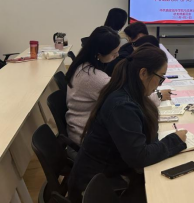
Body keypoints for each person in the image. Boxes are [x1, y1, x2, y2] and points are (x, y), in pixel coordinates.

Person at [68, 44, 187, 203]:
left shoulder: (131, 94)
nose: (160, 84)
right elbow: (139, 158)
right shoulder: (122, 105)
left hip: (111, 174)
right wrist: (175, 140)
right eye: (160, 78)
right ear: (143, 73)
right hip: (100, 188)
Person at [66, 27, 170, 144]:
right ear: (99, 54)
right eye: (114, 54)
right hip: (85, 136)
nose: (117, 56)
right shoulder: (94, 77)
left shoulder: (83, 66)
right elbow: (132, 99)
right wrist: (159, 96)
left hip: (83, 127)